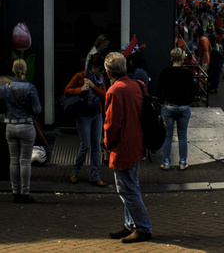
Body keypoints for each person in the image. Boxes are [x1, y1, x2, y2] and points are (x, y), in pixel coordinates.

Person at [103, 52, 153, 243]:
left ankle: (143, 227)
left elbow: (111, 123)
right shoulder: (137, 85)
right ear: (125, 67)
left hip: (123, 146)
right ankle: (130, 224)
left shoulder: (115, 91)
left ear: (108, 72)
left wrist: (107, 144)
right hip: (136, 143)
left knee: (127, 190)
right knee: (133, 185)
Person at [64, 54, 108, 187]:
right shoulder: (80, 76)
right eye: (100, 69)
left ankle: (94, 175)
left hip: (96, 114)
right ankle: (75, 172)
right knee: (86, 145)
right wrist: (80, 90)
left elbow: (104, 95)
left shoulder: (100, 79)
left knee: (96, 145)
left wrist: (93, 86)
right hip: (83, 114)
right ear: (93, 67)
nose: (102, 72)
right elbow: (67, 90)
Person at [5, 60, 42, 203]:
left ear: (13, 70)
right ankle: (25, 193)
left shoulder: (6, 87)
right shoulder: (30, 87)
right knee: (25, 161)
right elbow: (37, 109)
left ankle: (15, 192)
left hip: (10, 126)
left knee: (13, 160)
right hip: (26, 125)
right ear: (25, 70)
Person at [157, 49, 198, 171]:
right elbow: (192, 92)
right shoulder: (187, 74)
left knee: (168, 136)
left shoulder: (165, 72)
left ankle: (166, 162)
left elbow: (159, 90)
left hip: (169, 106)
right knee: (183, 136)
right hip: (184, 106)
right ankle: (182, 162)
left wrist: (162, 101)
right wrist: (188, 101)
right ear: (182, 59)